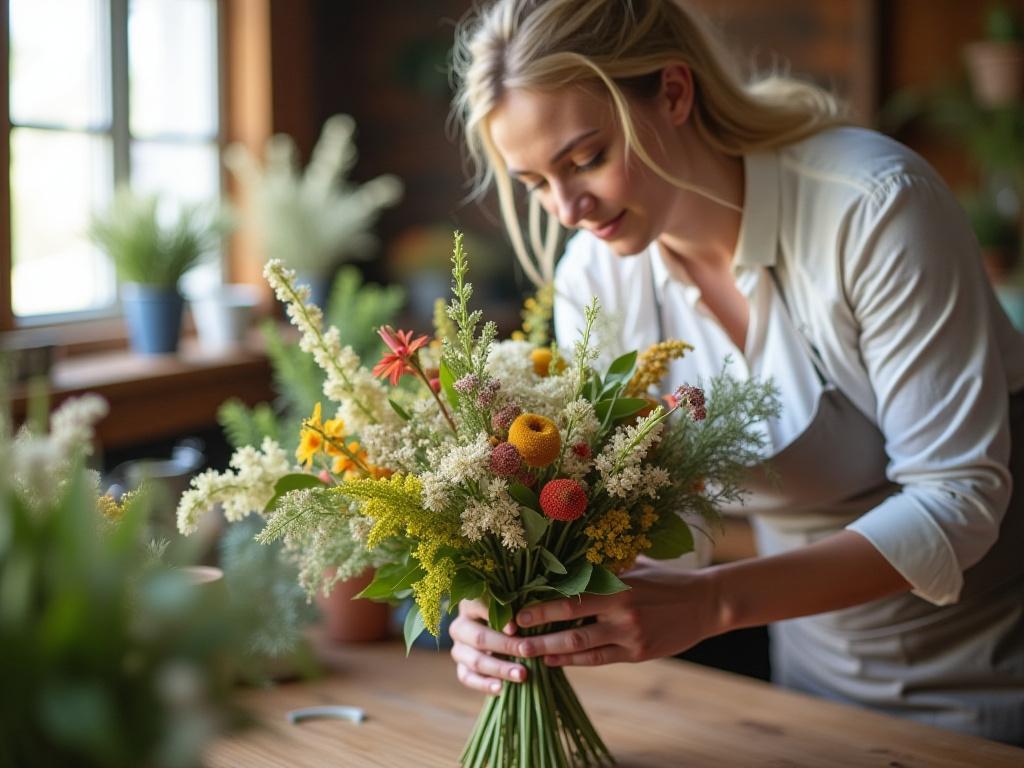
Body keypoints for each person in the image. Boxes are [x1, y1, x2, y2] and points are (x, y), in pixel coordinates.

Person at [446, 0, 1024, 745]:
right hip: (812, 693)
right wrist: (514, 597)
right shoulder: (599, 276)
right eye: (534, 183)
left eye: (585, 159)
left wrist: (712, 604)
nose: (567, 208)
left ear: (677, 92)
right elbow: (652, 521)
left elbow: (957, 496)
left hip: (998, 674)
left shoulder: (872, 208)